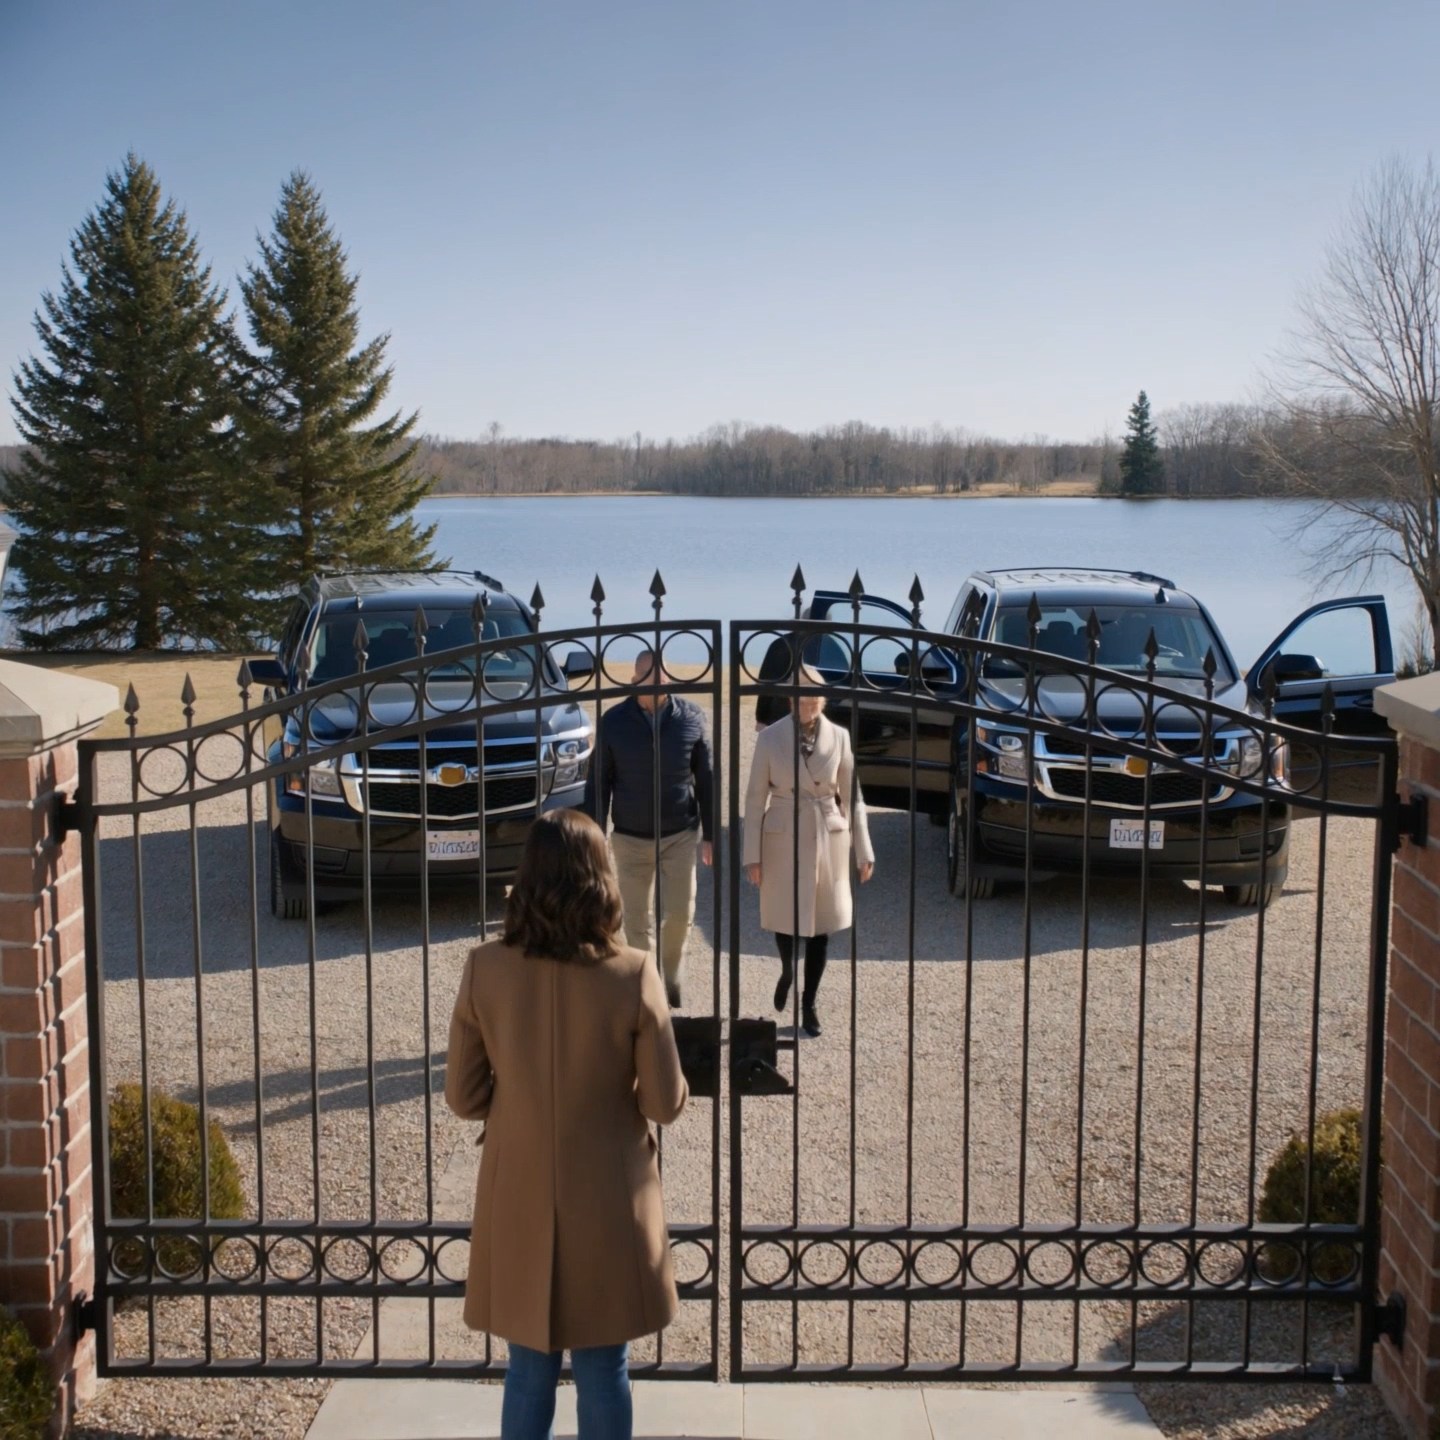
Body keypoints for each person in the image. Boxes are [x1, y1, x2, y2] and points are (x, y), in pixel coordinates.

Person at [445, 808, 687, 1440]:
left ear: (525, 880)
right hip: (608, 1191)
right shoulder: (632, 972)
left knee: (528, 1368)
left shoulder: (484, 969)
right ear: (600, 879)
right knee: (605, 1367)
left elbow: (464, 1097)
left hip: (520, 1184)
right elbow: (664, 1103)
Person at [742, 665, 875, 1038]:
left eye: (815, 695)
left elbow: (852, 796)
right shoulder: (769, 739)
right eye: (802, 695)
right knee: (785, 918)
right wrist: (752, 855)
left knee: (821, 927)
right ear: (790, 698)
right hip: (783, 832)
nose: (809, 702)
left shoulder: (841, 737)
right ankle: (787, 971)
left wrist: (864, 849)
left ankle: (809, 1003)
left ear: (823, 698)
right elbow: (754, 799)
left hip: (827, 834)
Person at [583, 648, 715, 1009]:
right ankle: (647, 986)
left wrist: (712, 836)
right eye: (646, 676)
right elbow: (598, 783)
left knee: (680, 915)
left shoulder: (691, 718)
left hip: (681, 835)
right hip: (629, 838)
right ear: (633, 679)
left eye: (660, 676)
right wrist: (594, 838)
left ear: (669, 679)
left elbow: (707, 777)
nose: (654, 683)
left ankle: (670, 977)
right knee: (636, 921)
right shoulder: (613, 722)